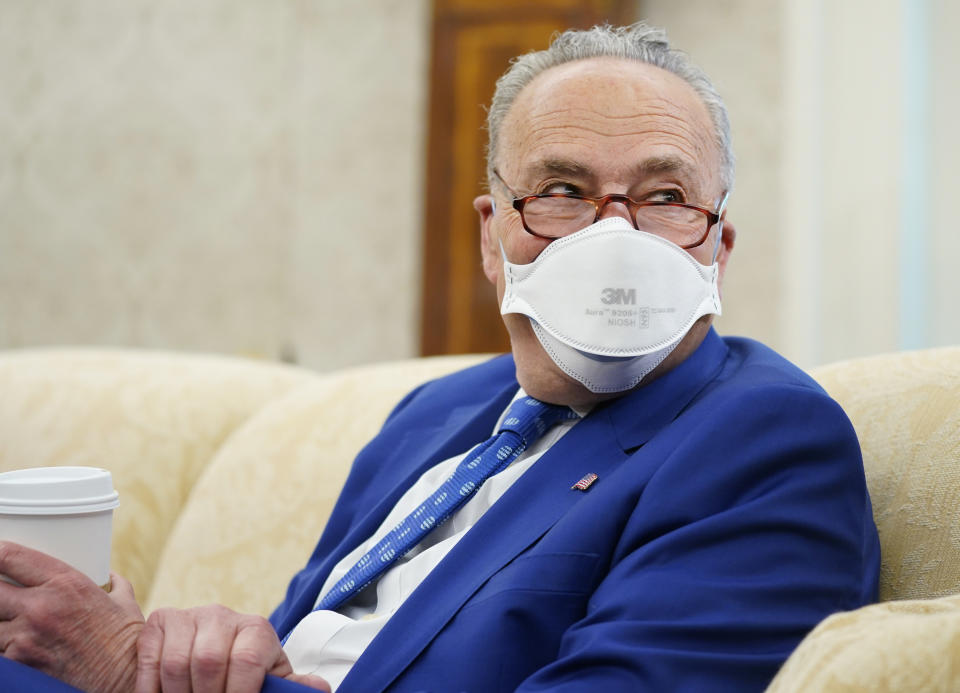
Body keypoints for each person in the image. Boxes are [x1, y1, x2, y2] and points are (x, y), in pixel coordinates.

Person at [0, 21, 879, 693]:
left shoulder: (768, 441)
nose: (617, 236)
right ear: (493, 238)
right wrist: (199, 655)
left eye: (664, 195)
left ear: (718, 245)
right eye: (564, 191)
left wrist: (121, 670)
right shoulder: (435, 412)